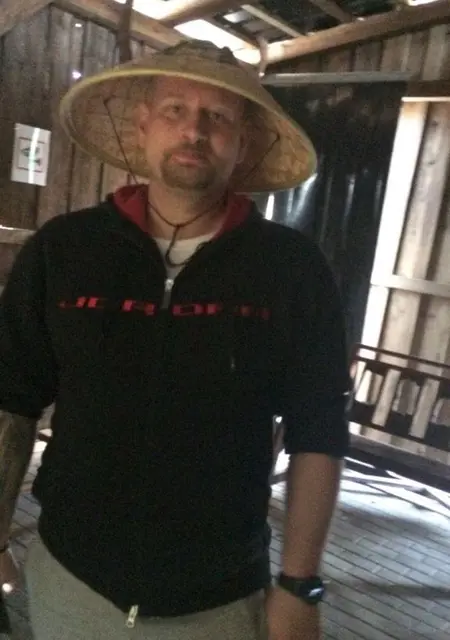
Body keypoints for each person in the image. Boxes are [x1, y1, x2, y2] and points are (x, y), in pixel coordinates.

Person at [0, 41, 350, 639]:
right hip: (70, 581)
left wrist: (300, 585)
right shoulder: (64, 250)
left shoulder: (291, 268)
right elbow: (11, 400)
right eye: (175, 110)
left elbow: (318, 429)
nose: (194, 130)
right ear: (143, 126)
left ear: (244, 144)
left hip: (221, 598)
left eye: (218, 116)